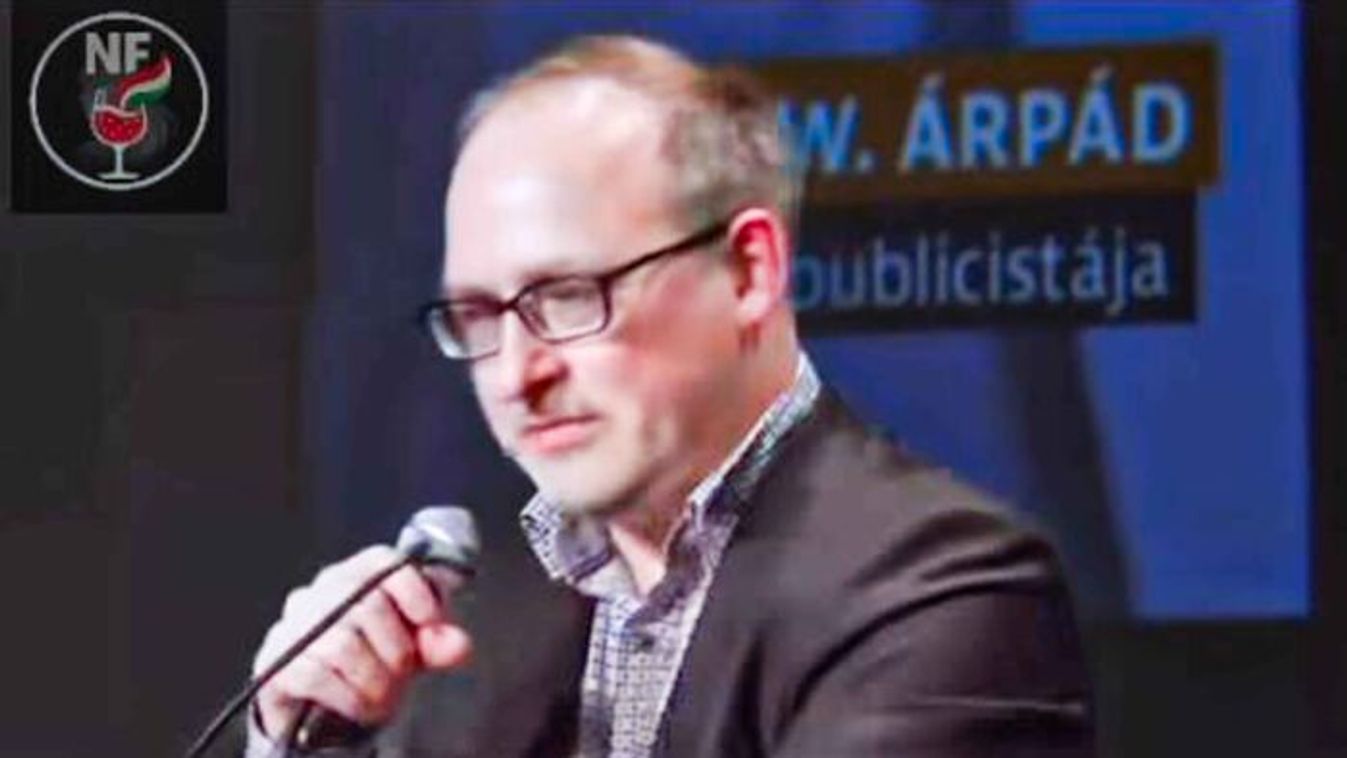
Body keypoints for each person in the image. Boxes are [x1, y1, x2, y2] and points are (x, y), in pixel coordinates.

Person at [246, 35, 1093, 757]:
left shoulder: (943, 590)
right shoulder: (461, 623)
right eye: (477, 316)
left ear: (749, 272)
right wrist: (296, 737)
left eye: (567, 297)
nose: (514, 375)